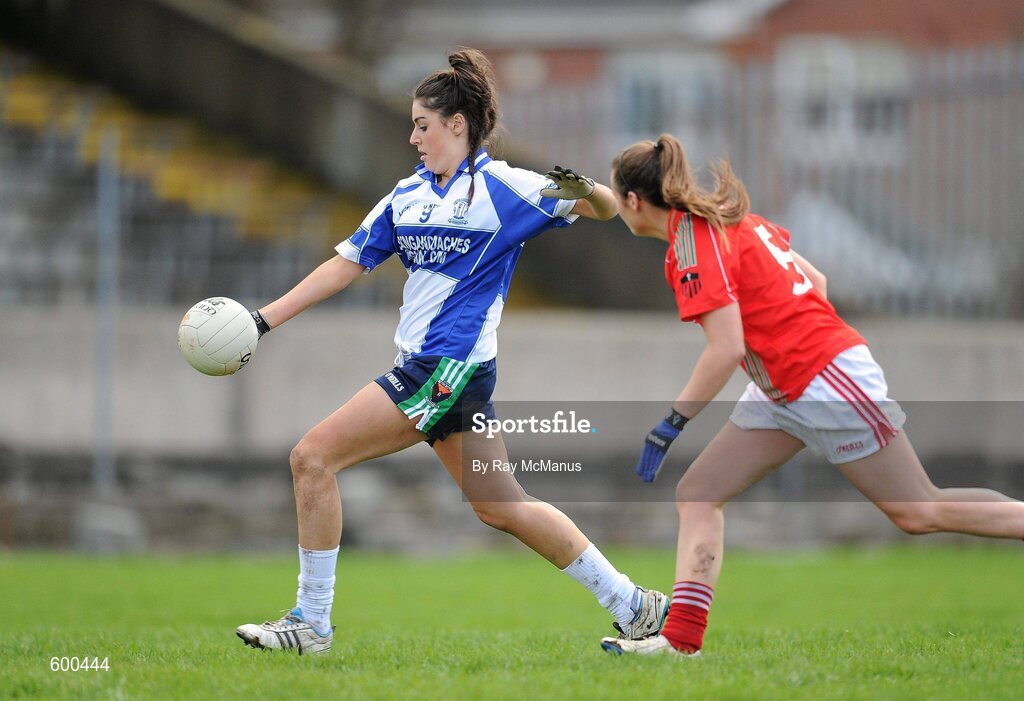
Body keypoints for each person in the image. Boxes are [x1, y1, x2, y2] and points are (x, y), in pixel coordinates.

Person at [234, 48, 668, 655]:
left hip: (444, 368)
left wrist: (589, 188)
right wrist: (261, 321)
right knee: (502, 507)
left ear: (456, 125)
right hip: (446, 372)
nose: (413, 137)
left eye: (422, 125)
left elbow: (606, 209)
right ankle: (633, 604)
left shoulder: (507, 187)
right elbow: (345, 264)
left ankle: (311, 623)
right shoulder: (406, 195)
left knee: (312, 458)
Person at [599, 133, 1024, 657]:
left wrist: (672, 422)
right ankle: (681, 643)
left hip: (825, 381)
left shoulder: (694, 246)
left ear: (634, 201)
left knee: (919, 510)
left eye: (616, 196)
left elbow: (727, 348)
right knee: (699, 493)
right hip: (786, 387)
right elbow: (815, 281)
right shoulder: (727, 221)